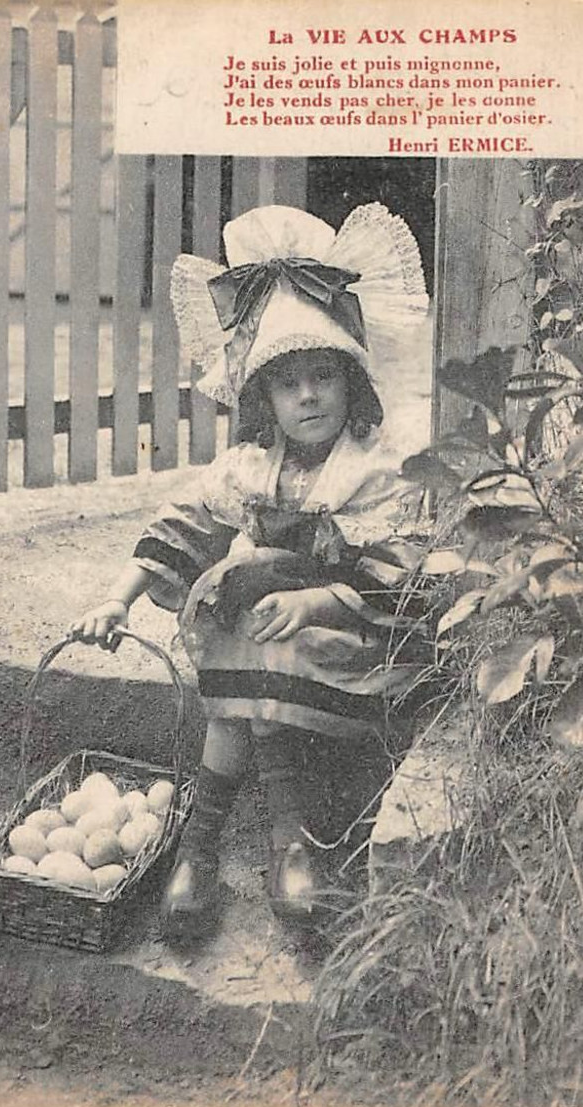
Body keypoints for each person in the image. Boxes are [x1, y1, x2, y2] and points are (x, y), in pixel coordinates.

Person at [71, 203, 429, 939]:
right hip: (270, 638)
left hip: (351, 635)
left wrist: (318, 601)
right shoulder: (250, 469)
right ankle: (206, 852)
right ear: (261, 400)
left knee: (255, 622)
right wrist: (116, 600)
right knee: (234, 606)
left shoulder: (372, 472)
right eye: (288, 383)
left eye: (323, 376)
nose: (308, 396)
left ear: (351, 384)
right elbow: (181, 523)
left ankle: (288, 841)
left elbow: (399, 571)